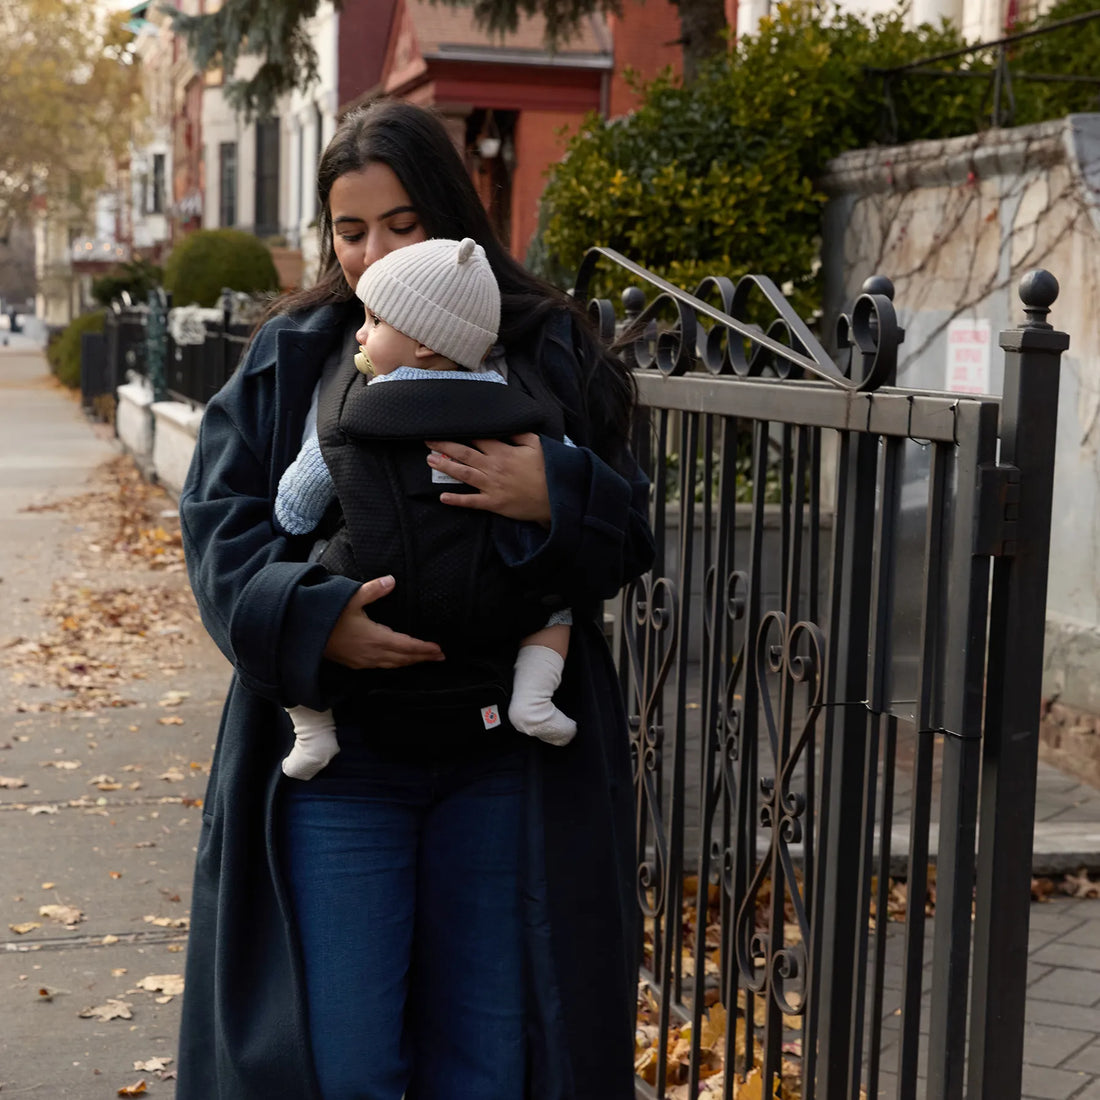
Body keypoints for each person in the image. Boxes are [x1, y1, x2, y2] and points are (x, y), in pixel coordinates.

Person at [176, 98, 655, 1100]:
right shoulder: (295, 355)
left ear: (453, 219)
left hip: (503, 769)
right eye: (351, 230)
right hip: (340, 769)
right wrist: (314, 619)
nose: (371, 253)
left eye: (402, 224)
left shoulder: (548, 348)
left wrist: (551, 493)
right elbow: (220, 528)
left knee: (488, 1063)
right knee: (342, 1063)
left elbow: (629, 527)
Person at [275, 234, 576, 781]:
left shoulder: (354, 411)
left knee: (302, 605)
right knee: (553, 607)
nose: (360, 333)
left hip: (373, 583)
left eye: (374, 321)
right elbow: (571, 475)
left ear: (422, 343)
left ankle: (313, 725)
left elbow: (294, 507)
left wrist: (298, 509)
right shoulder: (510, 408)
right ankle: (533, 698)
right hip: (485, 589)